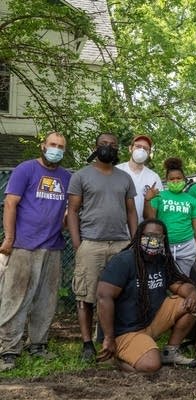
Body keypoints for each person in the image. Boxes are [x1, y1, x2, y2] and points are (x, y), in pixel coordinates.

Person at [0, 132, 71, 371]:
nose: (56, 149)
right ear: (43, 146)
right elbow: (10, 203)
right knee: (16, 298)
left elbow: (66, 210)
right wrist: (10, 237)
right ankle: (8, 348)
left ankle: (37, 344)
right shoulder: (26, 169)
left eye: (61, 146)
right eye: (52, 144)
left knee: (46, 300)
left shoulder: (65, 177)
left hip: (52, 246)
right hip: (24, 245)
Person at [67, 132, 138, 362]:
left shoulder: (124, 178)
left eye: (113, 145)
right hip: (91, 243)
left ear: (118, 150)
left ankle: (111, 337)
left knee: (118, 294)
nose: (108, 147)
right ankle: (87, 343)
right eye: (104, 144)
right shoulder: (81, 176)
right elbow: (73, 211)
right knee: (85, 296)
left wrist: (134, 242)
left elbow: (131, 211)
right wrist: (78, 243)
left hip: (120, 243)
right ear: (95, 147)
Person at [96, 219, 196, 372]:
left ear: (164, 239)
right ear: (139, 237)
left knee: (189, 303)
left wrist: (193, 292)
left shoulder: (162, 261)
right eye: (149, 236)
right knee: (151, 365)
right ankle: (115, 359)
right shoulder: (123, 261)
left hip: (150, 323)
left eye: (158, 237)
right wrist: (108, 337)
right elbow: (104, 297)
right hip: (125, 331)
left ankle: (170, 352)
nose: (153, 241)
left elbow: (181, 286)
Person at [144, 157, 196, 276]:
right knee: (161, 280)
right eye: (172, 179)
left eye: (178, 178)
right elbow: (149, 219)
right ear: (167, 180)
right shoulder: (159, 196)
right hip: (162, 246)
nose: (175, 181)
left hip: (187, 247)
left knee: (183, 281)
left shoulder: (192, 200)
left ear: (184, 179)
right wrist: (147, 200)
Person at [116, 134, 163, 223]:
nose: (141, 150)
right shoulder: (117, 171)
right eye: (138, 146)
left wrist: (147, 200)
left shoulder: (154, 177)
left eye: (145, 148)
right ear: (130, 148)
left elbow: (153, 215)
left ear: (149, 153)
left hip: (142, 229)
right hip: (117, 229)